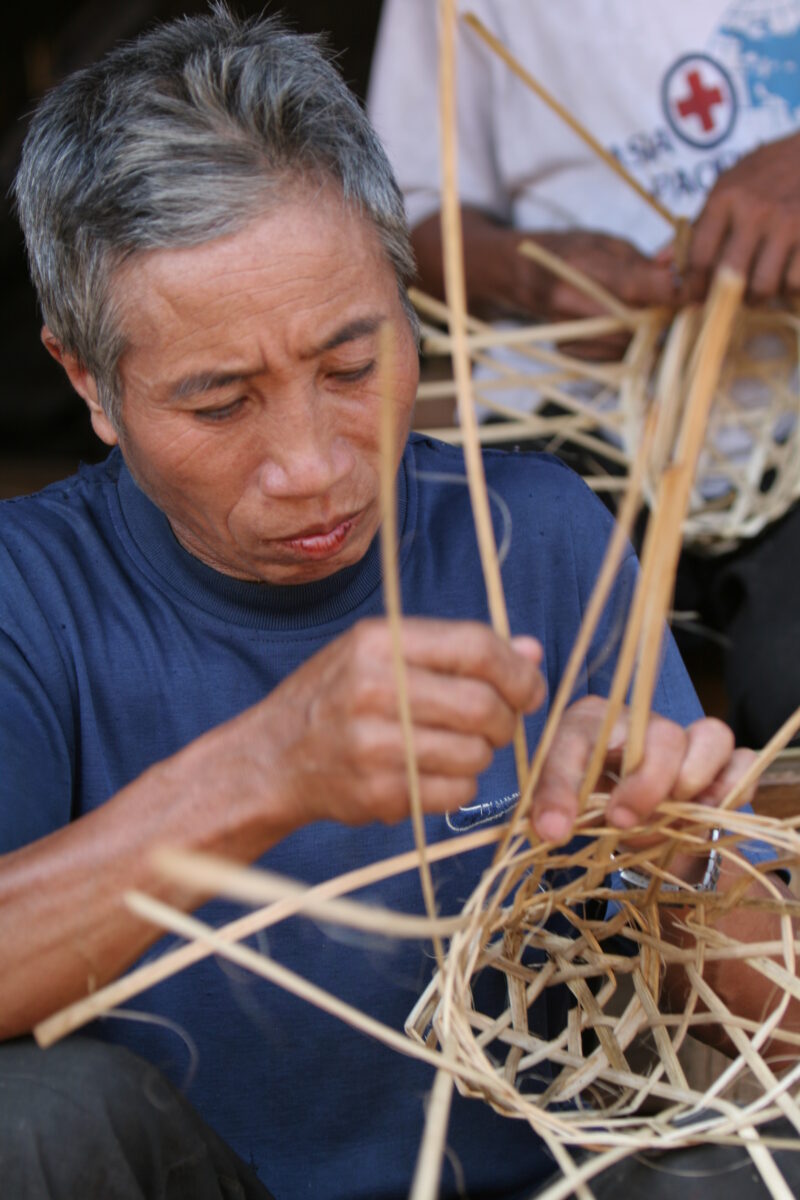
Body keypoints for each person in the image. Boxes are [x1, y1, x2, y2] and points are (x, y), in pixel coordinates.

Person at [1, 8, 795, 1200]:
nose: (313, 465)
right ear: (89, 382)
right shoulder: (29, 593)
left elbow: (770, 1036)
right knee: (38, 1122)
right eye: (219, 404)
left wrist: (685, 855)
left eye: (352, 366)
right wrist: (264, 771)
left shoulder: (534, 535)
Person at [369, 0, 800, 749]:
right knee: (508, 696)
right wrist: (535, 277)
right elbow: (399, 223)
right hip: (570, 419)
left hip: (785, 444)